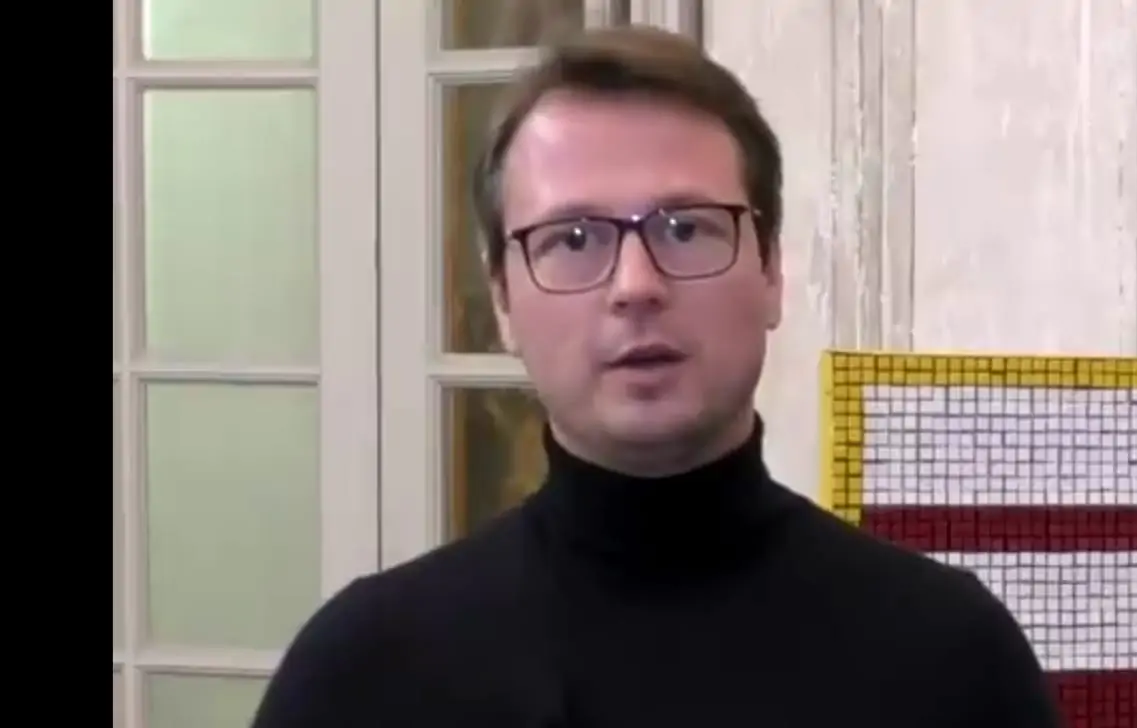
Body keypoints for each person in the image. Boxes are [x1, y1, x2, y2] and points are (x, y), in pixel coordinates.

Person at [251, 25, 1062, 728]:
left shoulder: (951, 657)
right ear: (502, 300)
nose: (635, 285)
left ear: (772, 271)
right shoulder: (363, 674)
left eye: (686, 229)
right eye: (573, 239)